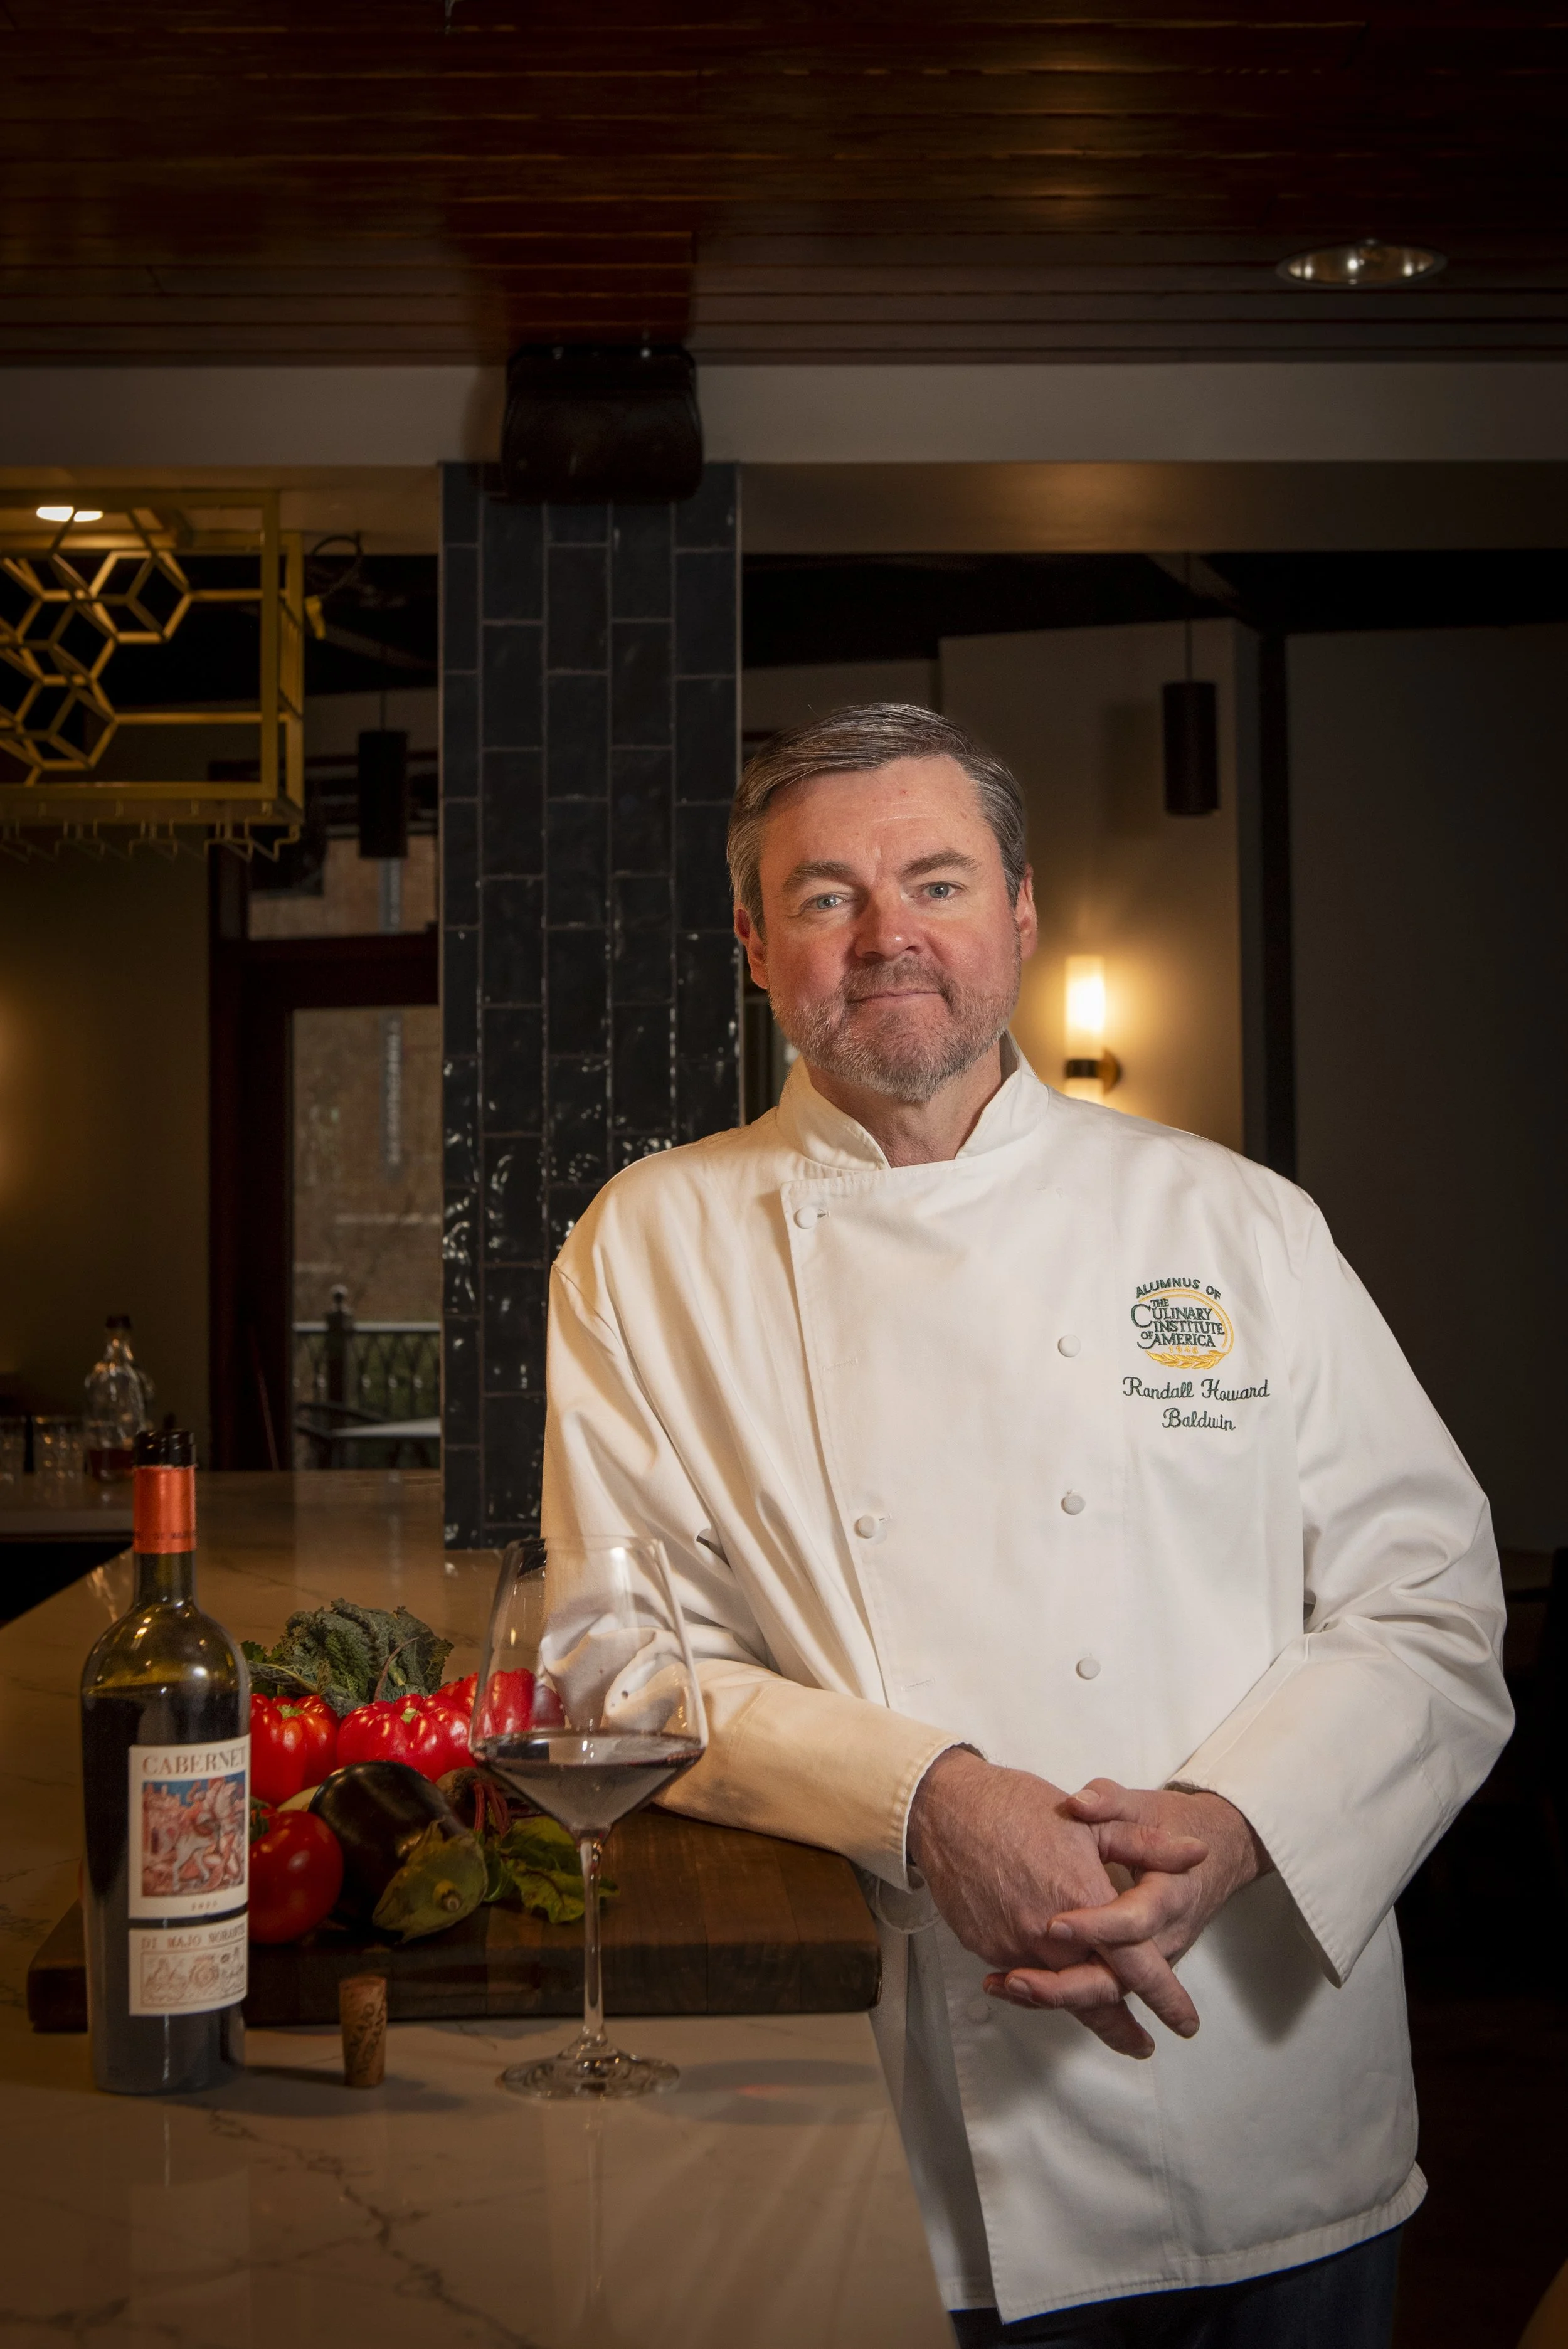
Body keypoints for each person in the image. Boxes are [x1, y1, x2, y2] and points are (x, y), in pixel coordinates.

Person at [542, 703, 1511, 2345]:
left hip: (1262, 2088)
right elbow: (610, 1667)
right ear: (752, 943)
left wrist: (1234, 1820)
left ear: (1020, 916)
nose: (885, 936)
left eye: (933, 880)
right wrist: (928, 1802)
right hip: (903, 2121)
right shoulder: (649, 1243)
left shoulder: (1233, 1222)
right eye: (824, 895)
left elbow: (1425, 1602)